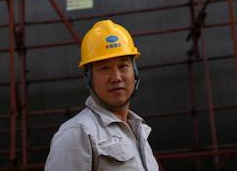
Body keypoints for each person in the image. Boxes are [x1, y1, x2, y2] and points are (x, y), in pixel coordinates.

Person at [45, 18, 158, 171]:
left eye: (123, 66)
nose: (117, 77)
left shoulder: (139, 131)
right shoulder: (78, 133)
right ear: (89, 78)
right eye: (105, 68)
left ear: (135, 73)